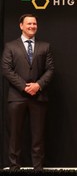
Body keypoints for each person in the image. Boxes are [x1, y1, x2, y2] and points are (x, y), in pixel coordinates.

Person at [1, 14, 55, 170]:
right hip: (17, 97)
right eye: (29, 23)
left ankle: (38, 167)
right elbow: (6, 70)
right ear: (21, 26)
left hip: (38, 96)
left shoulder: (45, 46)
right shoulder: (10, 46)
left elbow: (50, 69)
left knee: (38, 136)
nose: (32, 26)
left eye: (34, 23)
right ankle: (14, 166)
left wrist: (38, 85)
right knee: (15, 135)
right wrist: (25, 86)